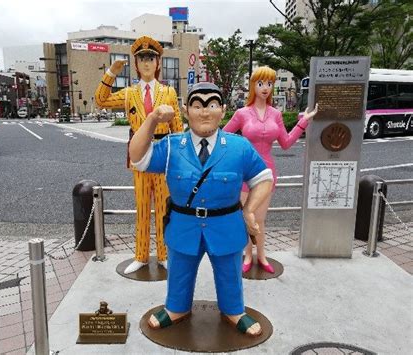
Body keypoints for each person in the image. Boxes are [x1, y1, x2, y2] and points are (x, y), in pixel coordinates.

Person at [129, 82, 273, 337]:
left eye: (212, 105)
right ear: (186, 111)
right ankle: (176, 307)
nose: (205, 112)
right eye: (197, 105)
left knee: (230, 272)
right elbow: (138, 158)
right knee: (180, 270)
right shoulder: (173, 146)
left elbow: (263, 178)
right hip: (184, 225)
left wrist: (249, 210)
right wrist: (152, 119)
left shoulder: (239, 147)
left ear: (223, 110)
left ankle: (234, 310)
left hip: (226, 224)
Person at [95, 36, 184, 274]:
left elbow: (178, 128)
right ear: (136, 64)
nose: (146, 63)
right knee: (143, 206)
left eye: (151, 58)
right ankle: (141, 255)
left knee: (165, 208)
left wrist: (181, 159)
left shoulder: (169, 92)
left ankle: (165, 254)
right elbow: (100, 100)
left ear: (158, 63)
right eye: (142, 58)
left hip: (164, 153)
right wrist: (110, 73)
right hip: (139, 153)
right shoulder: (129, 94)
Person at [223, 66, 318, 273]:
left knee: (260, 219)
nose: (265, 88)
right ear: (252, 86)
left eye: (269, 84)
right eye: (260, 83)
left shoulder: (276, 114)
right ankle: (248, 255)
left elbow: (285, 142)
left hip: (267, 173)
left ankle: (262, 256)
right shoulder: (241, 113)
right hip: (245, 173)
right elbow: (223, 136)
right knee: (246, 217)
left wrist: (304, 122)